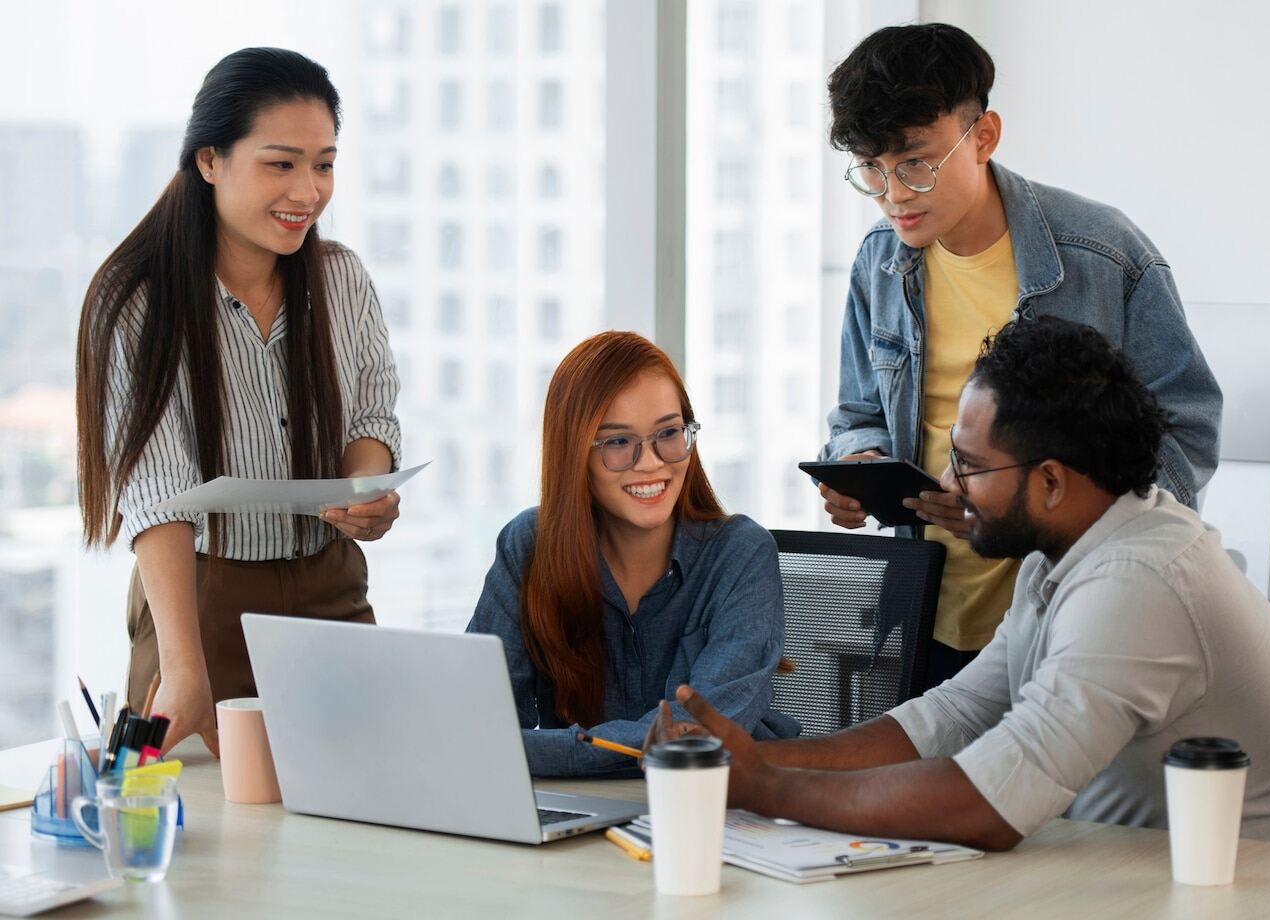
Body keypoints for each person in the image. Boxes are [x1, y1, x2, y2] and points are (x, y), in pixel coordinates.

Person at [673, 317, 1270, 853]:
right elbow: (953, 716)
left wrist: (768, 788)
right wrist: (750, 760)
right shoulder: (1061, 554)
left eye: (970, 466)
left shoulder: (1138, 581)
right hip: (1145, 876)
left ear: (1052, 481)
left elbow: (990, 803)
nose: (949, 486)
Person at [818, 23, 1223, 686]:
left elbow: (1187, 431)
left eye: (915, 162)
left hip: (1075, 615)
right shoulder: (879, 262)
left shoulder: (1105, 257)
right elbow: (860, 408)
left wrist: (1023, 506)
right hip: (928, 615)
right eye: (872, 168)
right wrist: (859, 463)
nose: (894, 193)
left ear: (983, 136)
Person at [76, 48, 402, 756]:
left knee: (358, 821)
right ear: (210, 161)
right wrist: (185, 667)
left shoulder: (344, 281)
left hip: (329, 588)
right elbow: (158, 493)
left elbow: (373, 416)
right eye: (280, 164)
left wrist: (365, 487)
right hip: (198, 602)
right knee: (201, 841)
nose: (308, 191)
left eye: (324, 163)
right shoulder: (134, 300)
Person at [467, 331, 799, 777]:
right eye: (619, 442)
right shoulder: (529, 544)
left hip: (721, 809)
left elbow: (693, 738)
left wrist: (540, 752)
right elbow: (479, 722)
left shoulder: (742, 554)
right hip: (581, 809)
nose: (651, 463)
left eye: (668, 433)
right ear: (574, 454)